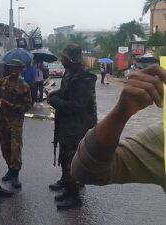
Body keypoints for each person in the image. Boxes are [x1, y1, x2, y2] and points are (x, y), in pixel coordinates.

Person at [71, 64, 165, 190]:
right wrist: (120, 113)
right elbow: (85, 170)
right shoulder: (161, 139)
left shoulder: (82, 77)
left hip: (77, 123)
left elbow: (80, 103)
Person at [48, 44, 97, 210]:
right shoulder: (70, 73)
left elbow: (77, 105)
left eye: (64, 57)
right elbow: (66, 91)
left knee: (72, 160)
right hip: (67, 124)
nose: (61, 60)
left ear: (71, 59)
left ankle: (74, 197)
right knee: (64, 156)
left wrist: (55, 102)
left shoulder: (84, 78)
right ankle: (68, 187)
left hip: (77, 125)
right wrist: (55, 93)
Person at [0, 59, 32, 189]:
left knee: (15, 148)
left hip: (16, 121)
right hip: (3, 120)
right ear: (8, 69)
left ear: (21, 70)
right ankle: (10, 168)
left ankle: (15, 173)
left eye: (17, 69)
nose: (14, 71)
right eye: (12, 68)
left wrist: (11, 105)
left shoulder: (24, 85)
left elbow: (28, 106)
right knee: (5, 147)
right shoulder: (1, 83)